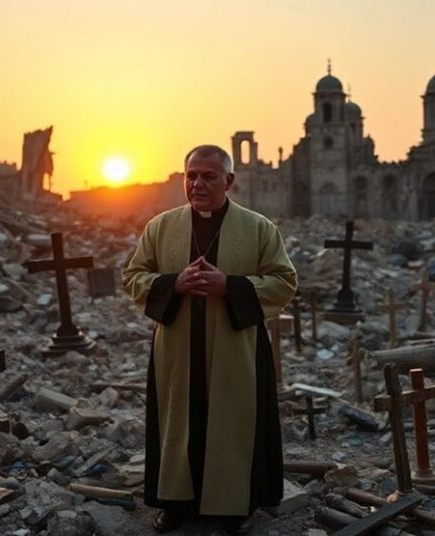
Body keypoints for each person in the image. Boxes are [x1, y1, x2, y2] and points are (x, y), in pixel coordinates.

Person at [122, 145, 298, 533]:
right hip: (177, 352)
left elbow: (285, 281)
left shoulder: (259, 228)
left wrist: (230, 286)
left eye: (208, 176)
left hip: (235, 351)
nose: (197, 184)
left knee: (232, 423)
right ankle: (174, 504)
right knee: (177, 424)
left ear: (229, 181)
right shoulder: (160, 227)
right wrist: (173, 283)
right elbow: (133, 276)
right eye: (191, 175)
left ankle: (232, 508)